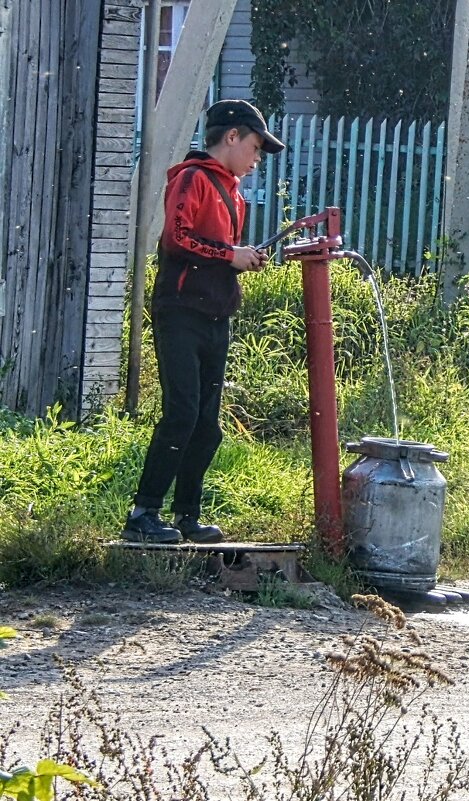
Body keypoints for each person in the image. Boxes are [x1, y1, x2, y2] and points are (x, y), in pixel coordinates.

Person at [122, 99, 285, 543]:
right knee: (182, 413)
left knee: (207, 423)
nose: (256, 159)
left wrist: (240, 259)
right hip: (180, 312)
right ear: (231, 137)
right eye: (254, 147)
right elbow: (175, 240)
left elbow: (215, 251)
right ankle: (143, 514)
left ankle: (186, 516)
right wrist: (231, 255)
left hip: (215, 313)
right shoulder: (192, 178)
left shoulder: (232, 190)